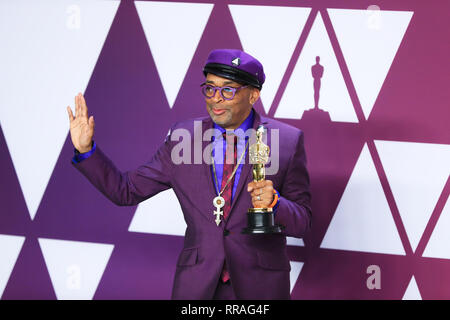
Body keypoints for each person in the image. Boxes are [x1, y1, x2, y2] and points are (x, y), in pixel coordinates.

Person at [67, 49, 311, 300]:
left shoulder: (287, 141)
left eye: (228, 90)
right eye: (210, 88)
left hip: (261, 287)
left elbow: (303, 222)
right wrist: (86, 150)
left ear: (253, 95)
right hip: (198, 286)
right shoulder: (182, 138)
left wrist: (275, 204)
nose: (216, 99)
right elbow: (125, 190)